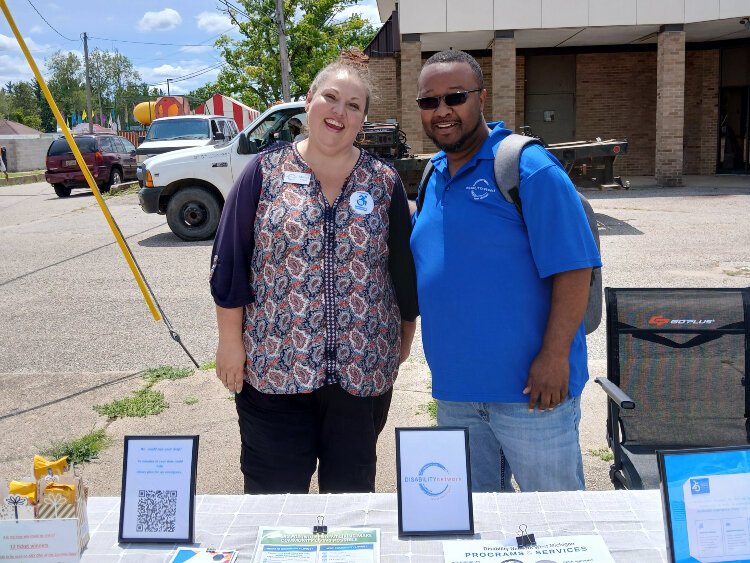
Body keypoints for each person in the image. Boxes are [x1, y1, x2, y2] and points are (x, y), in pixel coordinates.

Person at [210, 61, 418, 494]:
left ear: (363, 119)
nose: (339, 112)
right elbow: (230, 259)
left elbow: (402, 265)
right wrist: (229, 341)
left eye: (353, 105)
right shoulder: (263, 174)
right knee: (274, 499)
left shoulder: (383, 182)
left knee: (350, 499)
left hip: (362, 371)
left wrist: (405, 334)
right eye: (331, 97)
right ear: (309, 101)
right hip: (274, 372)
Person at [410, 50, 601, 493]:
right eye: (429, 101)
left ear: (481, 98)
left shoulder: (526, 168)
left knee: (557, 531)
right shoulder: (431, 175)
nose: (442, 111)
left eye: (455, 97)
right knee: (474, 531)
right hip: (457, 394)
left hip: (533, 395)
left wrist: (554, 358)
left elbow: (576, 269)